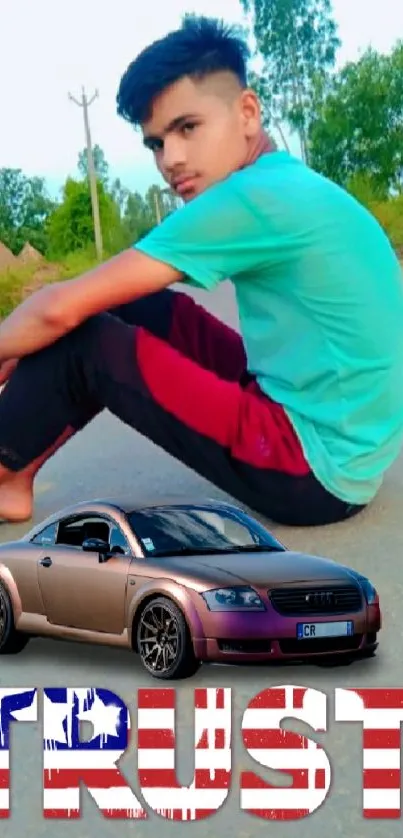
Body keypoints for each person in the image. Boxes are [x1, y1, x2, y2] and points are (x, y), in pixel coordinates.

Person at [0, 16, 402, 528]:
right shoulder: (284, 184)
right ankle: (14, 468)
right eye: (155, 143)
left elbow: (61, 307)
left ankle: (4, 469)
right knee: (130, 301)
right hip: (348, 444)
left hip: (314, 471)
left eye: (188, 128)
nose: (171, 159)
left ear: (248, 112)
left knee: (89, 342)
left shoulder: (252, 199)